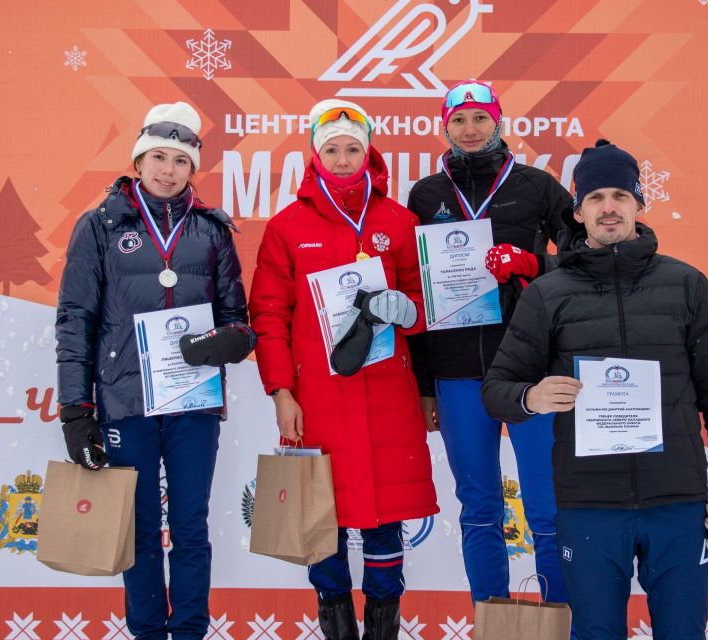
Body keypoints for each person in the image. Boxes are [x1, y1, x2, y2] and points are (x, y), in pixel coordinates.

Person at [481, 140, 708, 639]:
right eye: (596, 197)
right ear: (578, 211)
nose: (609, 207)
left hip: (677, 502)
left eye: (620, 195)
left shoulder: (687, 285)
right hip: (588, 505)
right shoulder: (549, 294)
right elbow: (497, 390)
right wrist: (532, 397)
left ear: (639, 203)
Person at [56, 101, 255, 640]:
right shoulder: (98, 226)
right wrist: (76, 410)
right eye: (158, 157)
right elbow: (76, 320)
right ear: (138, 162)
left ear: (194, 169)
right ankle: (146, 632)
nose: (168, 170)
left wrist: (223, 343)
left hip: (193, 400)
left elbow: (238, 320)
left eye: (180, 161)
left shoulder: (212, 231)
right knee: (140, 530)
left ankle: (190, 631)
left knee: (191, 528)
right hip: (126, 401)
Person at [249, 99, 438, 640]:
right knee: (321, 517)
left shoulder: (398, 221)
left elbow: (423, 300)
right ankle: (334, 618)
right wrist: (282, 391)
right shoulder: (287, 227)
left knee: (385, 517)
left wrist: (411, 311)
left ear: (368, 153)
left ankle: (382, 624)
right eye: (330, 148)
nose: (341, 158)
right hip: (318, 398)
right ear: (314, 154)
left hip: (387, 395)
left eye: (352, 148)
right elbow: (268, 313)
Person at [406, 80, 572, 606]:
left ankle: (556, 618)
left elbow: (587, 254)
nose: (470, 130)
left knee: (546, 508)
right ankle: (492, 617)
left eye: (480, 118)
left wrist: (533, 265)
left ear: (499, 122)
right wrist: (426, 386)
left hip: (530, 369)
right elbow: (418, 294)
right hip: (458, 373)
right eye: (459, 120)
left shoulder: (537, 186)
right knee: (478, 506)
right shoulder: (426, 195)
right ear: (445, 126)